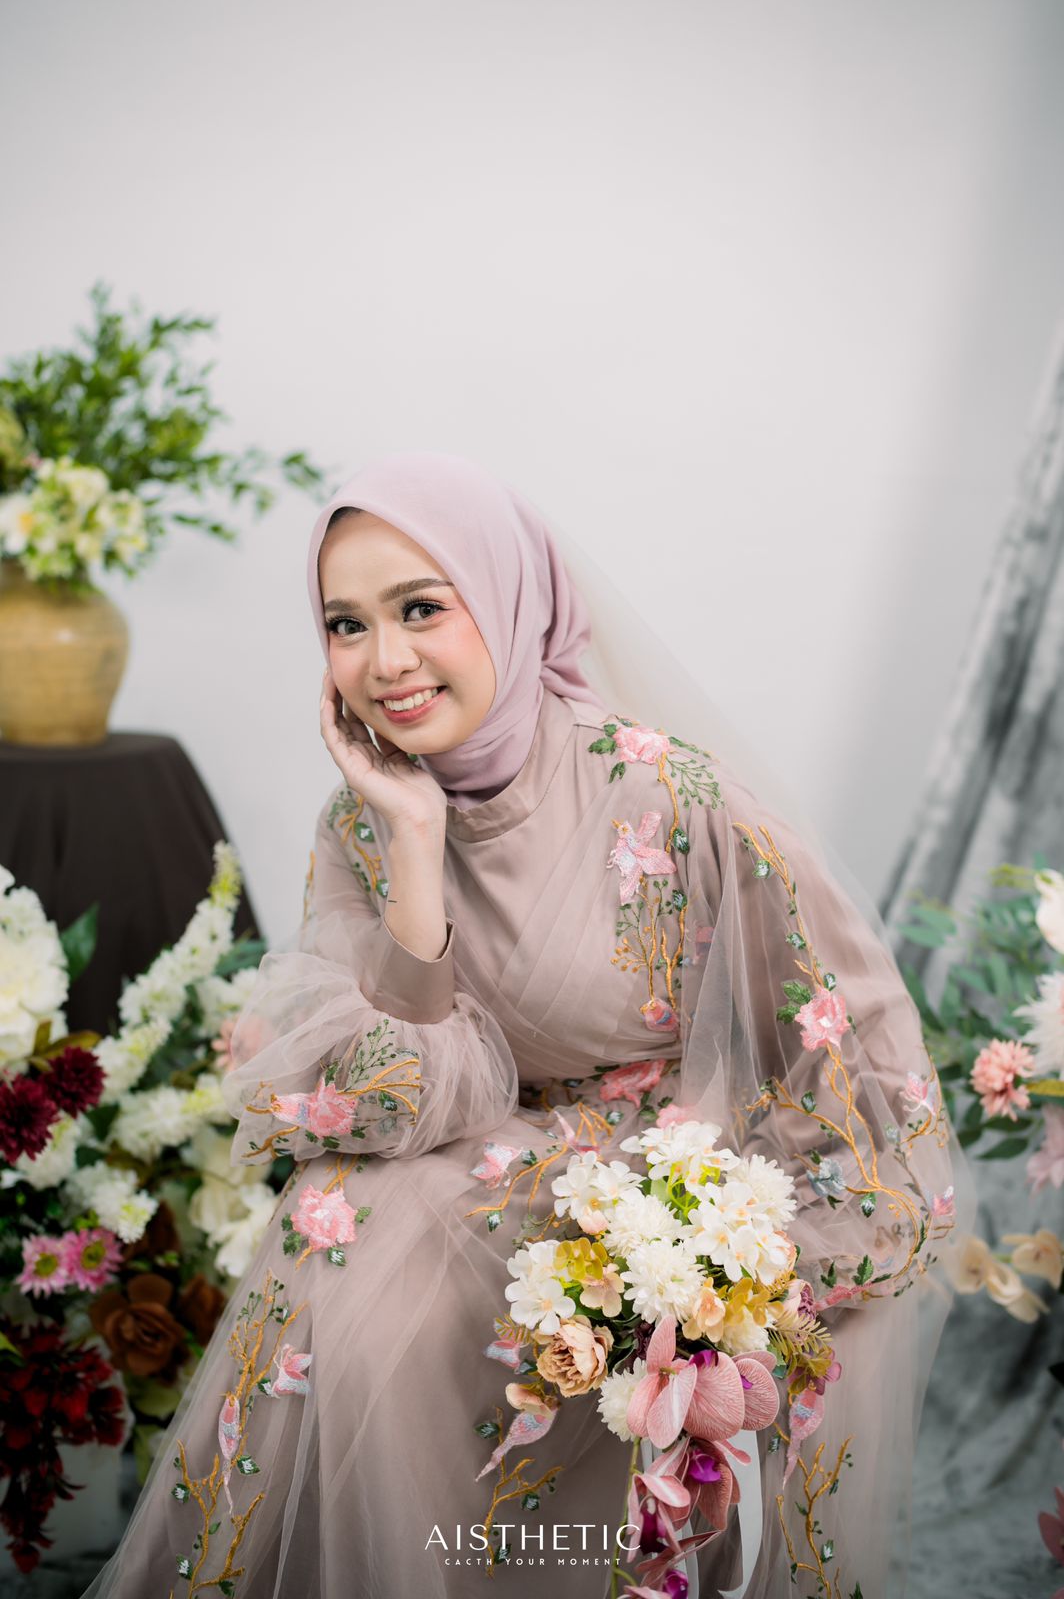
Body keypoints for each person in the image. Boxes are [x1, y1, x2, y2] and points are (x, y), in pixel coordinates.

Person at [78, 450, 970, 1599]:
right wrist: (412, 841)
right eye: (345, 625)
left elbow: (842, 1031)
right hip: (471, 1162)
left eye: (420, 609)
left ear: (508, 598)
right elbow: (398, 1102)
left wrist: (752, 1248)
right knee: (344, 1216)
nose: (384, 661)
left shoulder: (663, 794)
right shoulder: (362, 820)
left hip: (659, 1188)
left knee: (399, 1232)